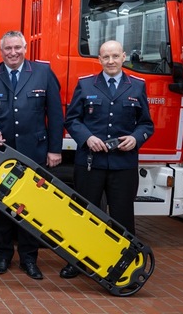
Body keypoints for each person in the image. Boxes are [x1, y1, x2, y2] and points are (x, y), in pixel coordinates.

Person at [59, 40, 154, 279]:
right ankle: (77, 261)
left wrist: (136, 137)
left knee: (122, 215)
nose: (110, 61)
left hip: (124, 165)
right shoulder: (86, 84)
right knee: (84, 214)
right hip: (91, 162)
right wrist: (87, 137)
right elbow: (72, 120)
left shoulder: (137, 86)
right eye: (105, 57)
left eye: (115, 56)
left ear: (123, 57)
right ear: (99, 60)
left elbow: (146, 124)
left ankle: (127, 262)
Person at [0, 30, 63, 280]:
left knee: (31, 208)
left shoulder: (43, 73)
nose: (12, 53)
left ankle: (28, 258)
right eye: (7, 49)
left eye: (17, 48)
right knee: (0, 206)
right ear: (1, 51)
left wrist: (55, 149)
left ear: (25, 48)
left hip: (33, 152)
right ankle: (3, 255)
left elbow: (55, 114)